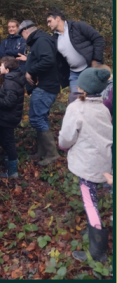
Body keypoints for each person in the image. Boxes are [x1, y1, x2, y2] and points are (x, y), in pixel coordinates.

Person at [58, 68, 113, 263]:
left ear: (83, 88)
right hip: (105, 162)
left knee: (90, 203)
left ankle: (97, 251)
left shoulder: (76, 108)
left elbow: (66, 137)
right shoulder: (104, 108)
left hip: (87, 165)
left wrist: (63, 146)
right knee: (105, 194)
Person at [18, 20, 61, 166]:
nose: (22, 38)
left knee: (36, 118)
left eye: (21, 34)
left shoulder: (41, 41)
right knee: (40, 117)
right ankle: (42, 151)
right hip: (45, 85)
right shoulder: (40, 40)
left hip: (46, 87)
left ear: (25, 32)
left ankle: (52, 154)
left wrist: (31, 71)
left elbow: (48, 60)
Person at [45, 9, 106, 104]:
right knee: (76, 102)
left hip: (90, 68)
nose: (48, 24)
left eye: (49, 21)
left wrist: (96, 60)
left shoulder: (78, 26)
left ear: (57, 18)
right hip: (74, 74)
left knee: (97, 99)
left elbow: (98, 39)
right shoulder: (55, 38)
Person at [0, 56, 25, 179]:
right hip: (8, 117)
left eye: (1, 65)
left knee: (9, 141)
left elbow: (9, 102)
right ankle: (12, 156)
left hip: (8, 118)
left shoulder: (10, 82)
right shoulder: (12, 79)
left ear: (7, 69)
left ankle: (12, 170)